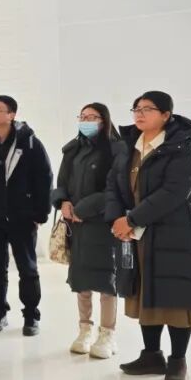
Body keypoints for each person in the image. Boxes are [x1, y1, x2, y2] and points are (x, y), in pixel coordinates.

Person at [105, 91, 191, 380]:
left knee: (175, 298)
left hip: (172, 232)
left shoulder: (181, 147)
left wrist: (132, 219)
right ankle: (151, 356)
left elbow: (174, 192)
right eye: (136, 108)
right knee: (145, 293)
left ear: (166, 115)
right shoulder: (129, 146)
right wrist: (117, 219)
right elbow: (113, 185)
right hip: (137, 234)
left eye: (148, 109)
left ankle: (178, 361)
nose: (139, 113)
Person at [0, 95, 53, 336]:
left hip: (22, 218)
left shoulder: (30, 143)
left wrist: (41, 213)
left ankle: (31, 317)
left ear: (12, 114)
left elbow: (44, 178)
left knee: (28, 269)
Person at [51, 103, 125, 359]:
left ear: (104, 121)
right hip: (77, 226)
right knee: (81, 280)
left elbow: (116, 188)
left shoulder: (116, 149)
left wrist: (83, 208)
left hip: (103, 224)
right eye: (83, 117)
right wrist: (63, 202)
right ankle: (85, 330)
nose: (87, 121)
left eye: (93, 117)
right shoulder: (73, 149)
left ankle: (107, 335)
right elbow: (61, 182)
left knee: (106, 280)